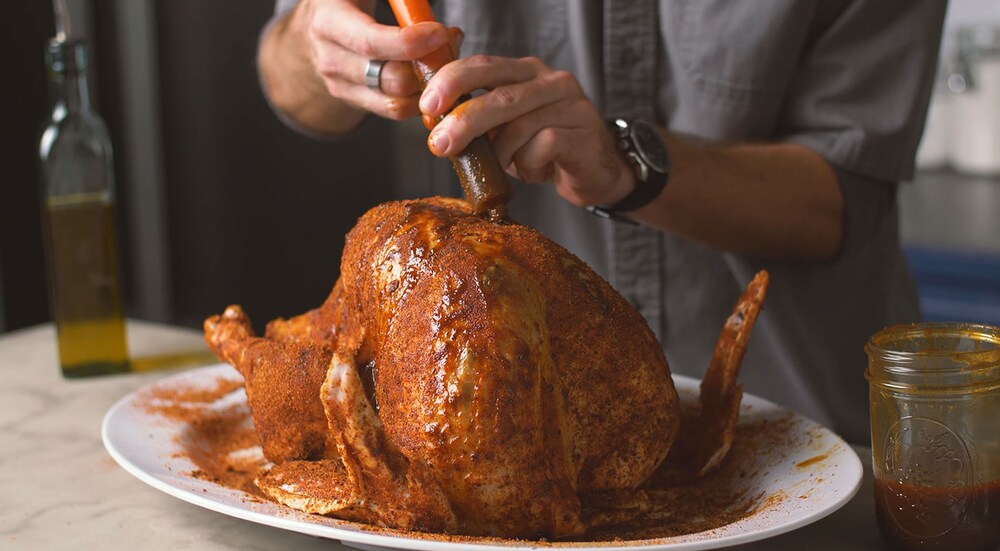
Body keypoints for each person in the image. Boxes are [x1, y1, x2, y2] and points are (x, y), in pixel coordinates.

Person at [257, 0, 947, 445]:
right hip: (491, 434)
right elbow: (287, 79)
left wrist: (626, 164)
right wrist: (318, 48)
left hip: (798, 438)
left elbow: (839, 202)